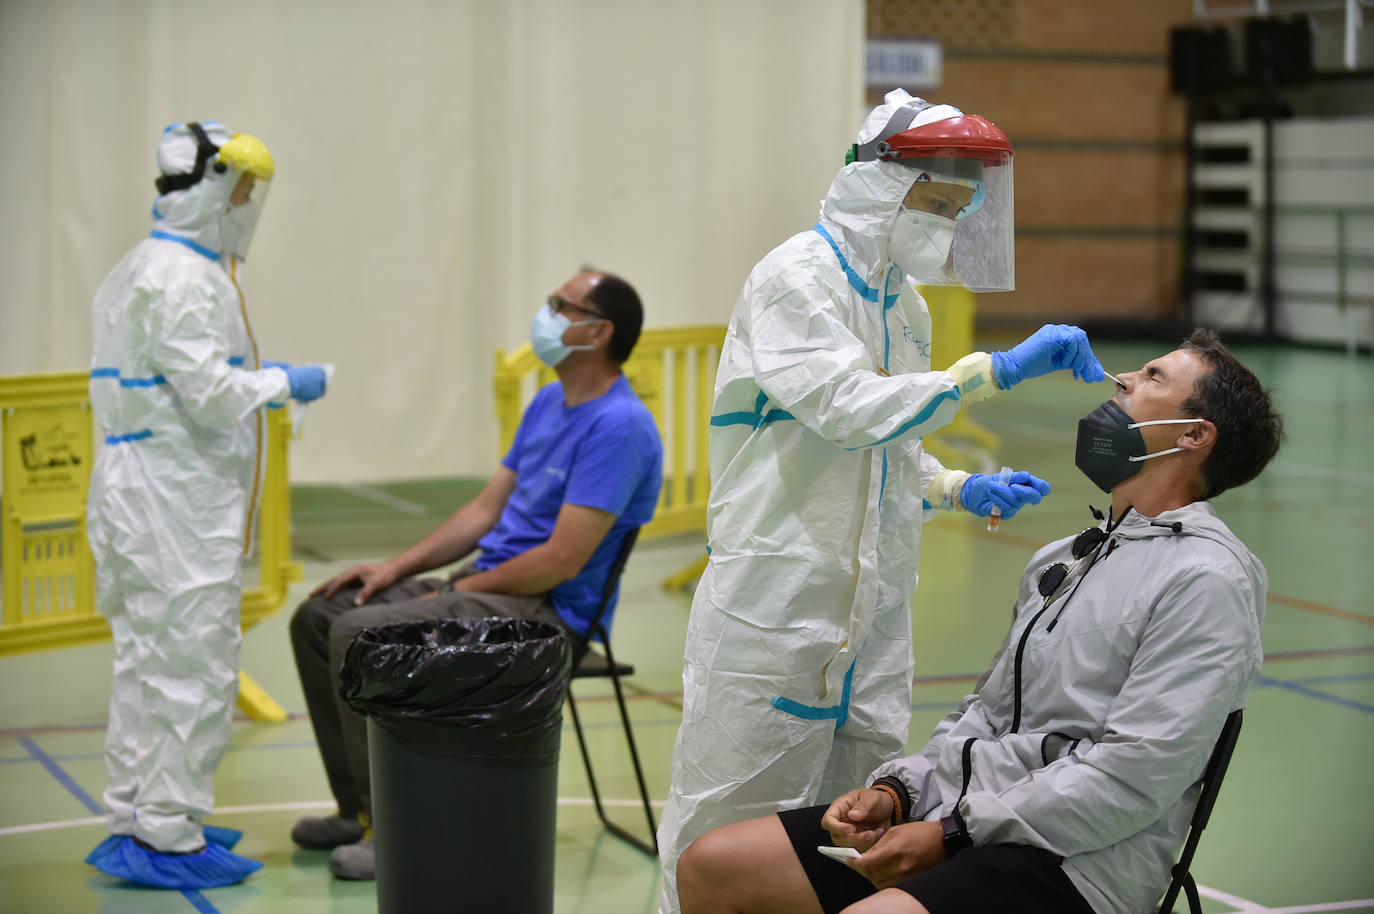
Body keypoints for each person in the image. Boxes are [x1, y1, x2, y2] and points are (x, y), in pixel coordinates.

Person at [656, 89, 1107, 911]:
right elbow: (846, 407)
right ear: (878, 184)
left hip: (870, 615)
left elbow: (886, 445)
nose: (948, 217)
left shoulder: (905, 304)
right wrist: (994, 372)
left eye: (960, 204)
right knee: (725, 835)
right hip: (776, 605)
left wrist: (954, 485)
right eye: (936, 200)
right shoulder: (798, 278)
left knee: (843, 835)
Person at [677, 329, 1284, 914]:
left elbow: (1133, 775)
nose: (1124, 377)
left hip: (1078, 862)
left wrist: (954, 835)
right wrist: (900, 792)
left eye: (1152, 376)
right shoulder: (1066, 557)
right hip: (964, 817)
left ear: (1193, 435)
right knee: (713, 865)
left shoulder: (1207, 578)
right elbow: (986, 714)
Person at [289, 268, 663, 880]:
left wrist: (457, 588)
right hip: (491, 585)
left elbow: (559, 562)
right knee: (321, 615)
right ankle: (357, 809)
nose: (544, 314)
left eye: (559, 306)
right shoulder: (549, 401)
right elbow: (484, 510)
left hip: (547, 615)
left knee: (357, 634)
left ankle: (395, 835)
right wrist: (395, 568)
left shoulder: (618, 427)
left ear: (598, 331)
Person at [84, 121, 330, 889]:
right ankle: (170, 834)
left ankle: (139, 814)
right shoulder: (188, 280)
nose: (251, 205)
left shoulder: (139, 267)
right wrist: (288, 382)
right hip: (174, 505)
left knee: (146, 663)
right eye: (246, 190)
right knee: (191, 667)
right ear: (218, 187)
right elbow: (212, 397)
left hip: (136, 493)